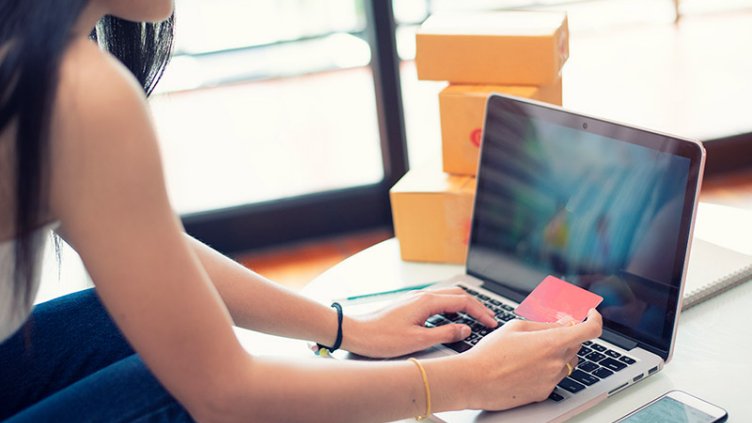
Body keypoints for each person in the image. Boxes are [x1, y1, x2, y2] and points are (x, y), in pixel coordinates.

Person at [0, 0, 603, 421]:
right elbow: (224, 398)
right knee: (171, 383)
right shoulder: (77, 91)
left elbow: (148, 253)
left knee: (124, 317)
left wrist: (346, 328)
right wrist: (467, 381)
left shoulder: (33, 57)